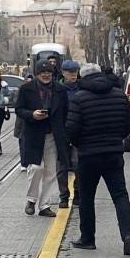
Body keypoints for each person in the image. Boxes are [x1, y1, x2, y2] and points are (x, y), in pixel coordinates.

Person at [66, 63, 130, 255]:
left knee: (87, 197)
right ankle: (127, 235)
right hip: (113, 153)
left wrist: (80, 143)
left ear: (83, 77)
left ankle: (88, 238)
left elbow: (71, 128)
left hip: (88, 156)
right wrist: (116, 137)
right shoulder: (119, 95)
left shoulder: (80, 98)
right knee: (120, 195)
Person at [16, 59, 69, 218]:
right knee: (36, 168)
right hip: (33, 134)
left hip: (54, 135)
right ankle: (31, 199)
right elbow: (18, 109)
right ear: (37, 74)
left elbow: (65, 111)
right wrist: (32, 115)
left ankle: (44, 205)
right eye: (42, 72)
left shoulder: (60, 89)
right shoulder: (26, 89)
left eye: (48, 72)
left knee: (51, 171)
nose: (46, 75)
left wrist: (62, 129)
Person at [57, 60, 81, 207]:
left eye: (75, 72)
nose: (72, 74)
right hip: (61, 132)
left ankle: (77, 193)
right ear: (63, 73)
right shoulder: (57, 89)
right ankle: (63, 196)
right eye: (69, 72)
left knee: (78, 164)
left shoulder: (82, 88)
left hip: (77, 132)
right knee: (61, 167)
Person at [14, 74, 33, 171]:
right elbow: (17, 106)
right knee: (23, 143)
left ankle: (30, 161)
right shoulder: (20, 92)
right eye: (27, 81)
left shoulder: (37, 92)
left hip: (34, 122)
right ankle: (24, 163)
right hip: (22, 122)